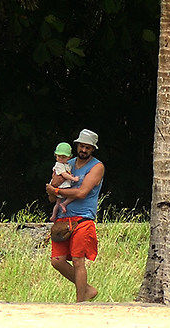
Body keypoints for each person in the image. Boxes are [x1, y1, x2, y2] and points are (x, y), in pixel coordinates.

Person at [49, 128, 105, 302]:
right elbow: (52, 197)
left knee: (78, 260)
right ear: (77, 146)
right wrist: (53, 188)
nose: (84, 150)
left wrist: (56, 189)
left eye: (88, 147)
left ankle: (80, 302)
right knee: (57, 260)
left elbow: (82, 193)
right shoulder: (66, 163)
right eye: (81, 146)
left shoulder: (97, 167)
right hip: (62, 219)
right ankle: (87, 290)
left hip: (83, 219)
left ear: (93, 149)